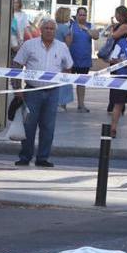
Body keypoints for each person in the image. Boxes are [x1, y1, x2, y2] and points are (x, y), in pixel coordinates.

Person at [11, 18, 73, 168]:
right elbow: (17, 65)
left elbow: (69, 66)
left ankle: (43, 158)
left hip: (52, 93)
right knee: (29, 126)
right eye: (46, 28)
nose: (49, 31)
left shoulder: (62, 47)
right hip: (32, 91)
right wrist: (18, 89)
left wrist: (61, 83)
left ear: (55, 31)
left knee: (48, 126)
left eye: (52, 29)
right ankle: (25, 156)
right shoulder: (29, 45)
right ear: (41, 30)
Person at [68, 6, 100, 113]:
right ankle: (62, 104)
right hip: (71, 58)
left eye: (84, 15)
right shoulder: (71, 26)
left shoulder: (90, 26)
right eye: (80, 14)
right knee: (65, 81)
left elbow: (96, 36)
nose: (82, 17)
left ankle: (81, 105)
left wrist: (86, 29)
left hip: (84, 59)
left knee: (81, 83)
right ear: (76, 15)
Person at [54, 6, 75, 111]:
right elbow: (68, 44)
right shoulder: (66, 29)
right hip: (63, 58)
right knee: (64, 80)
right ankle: (62, 103)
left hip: (54, 56)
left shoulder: (54, 27)